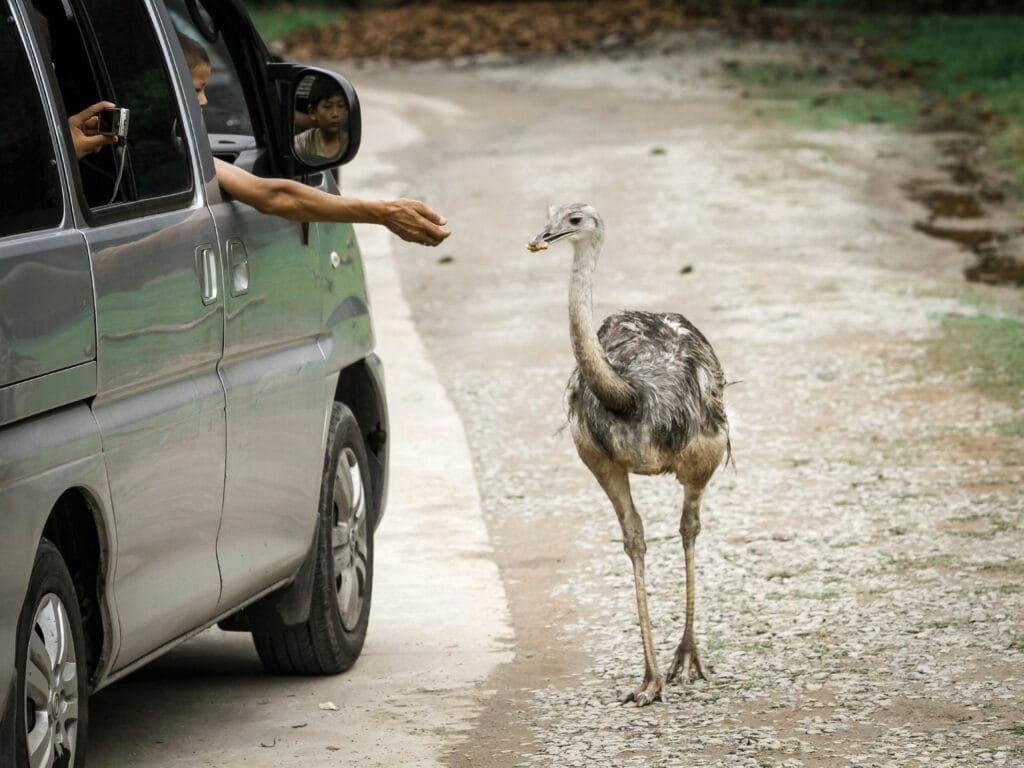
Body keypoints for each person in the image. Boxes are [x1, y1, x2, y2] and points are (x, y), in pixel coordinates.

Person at [176, 33, 447, 247]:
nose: (204, 101)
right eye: (197, 89)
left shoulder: (179, 146)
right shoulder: (174, 151)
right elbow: (274, 196)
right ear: (170, 87)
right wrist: (384, 212)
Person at [293, 76, 348, 161]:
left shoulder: (348, 144)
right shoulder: (303, 142)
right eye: (327, 106)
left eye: (340, 106)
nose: (335, 114)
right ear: (312, 112)